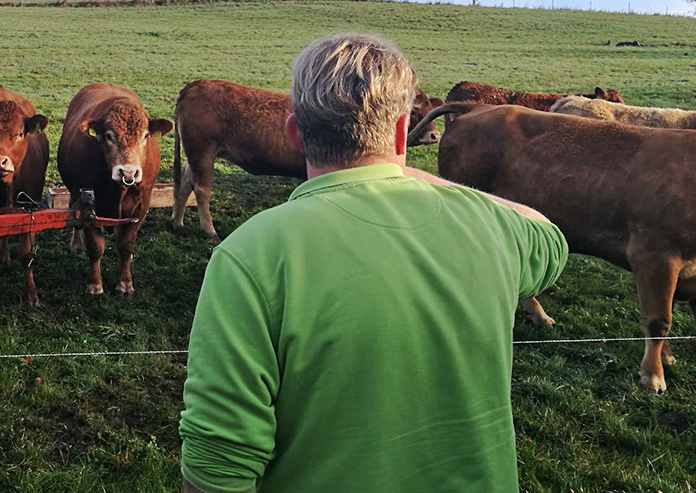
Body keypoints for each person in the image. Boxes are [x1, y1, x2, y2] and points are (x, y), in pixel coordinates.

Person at [178, 34, 567, 493]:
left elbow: (217, 472)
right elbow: (549, 237)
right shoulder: (495, 229)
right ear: (403, 130)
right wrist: (408, 173)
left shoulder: (249, 254)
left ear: (295, 135)